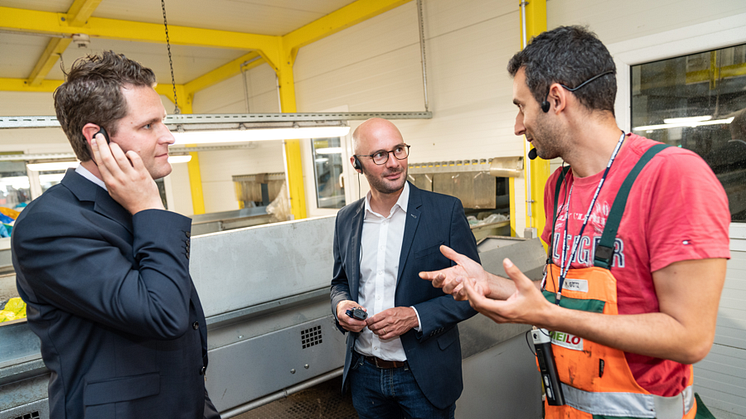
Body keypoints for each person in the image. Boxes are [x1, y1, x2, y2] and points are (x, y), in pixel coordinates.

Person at [421, 26, 730, 419]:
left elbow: (690, 337)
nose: (518, 126)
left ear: (555, 99)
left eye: (521, 107)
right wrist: (489, 282)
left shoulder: (672, 176)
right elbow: (564, 292)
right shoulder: (558, 186)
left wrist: (547, 316)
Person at [12, 51, 220, 419]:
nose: (168, 137)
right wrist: (149, 209)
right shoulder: (49, 224)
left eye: (164, 122)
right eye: (148, 126)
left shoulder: (129, 201)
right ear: (97, 137)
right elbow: (162, 314)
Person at [330, 118, 480, 419]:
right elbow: (339, 282)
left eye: (399, 150)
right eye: (379, 155)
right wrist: (340, 306)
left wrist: (415, 317)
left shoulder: (445, 212)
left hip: (423, 377)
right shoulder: (346, 219)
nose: (394, 163)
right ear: (356, 164)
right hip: (366, 375)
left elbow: (474, 291)